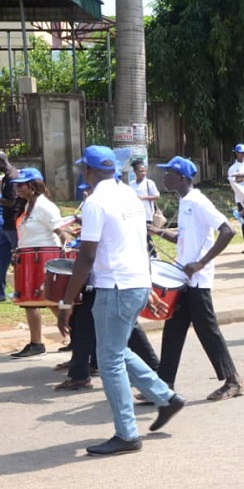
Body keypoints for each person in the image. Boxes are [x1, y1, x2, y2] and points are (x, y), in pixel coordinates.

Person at [57, 145, 185, 456]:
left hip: (115, 287)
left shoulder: (95, 203)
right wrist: (148, 287)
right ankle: (165, 397)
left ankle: (127, 434)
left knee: (110, 358)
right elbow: (140, 242)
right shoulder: (129, 195)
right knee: (115, 351)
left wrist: (66, 302)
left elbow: (86, 256)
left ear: (87, 171)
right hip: (135, 282)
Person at [149, 156, 244, 400]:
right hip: (184, 280)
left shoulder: (197, 201)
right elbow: (183, 237)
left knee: (208, 331)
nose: (164, 177)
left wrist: (201, 262)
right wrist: (158, 232)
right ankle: (163, 385)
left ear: (181, 177)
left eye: (168, 173)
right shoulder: (184, 202)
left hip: (198, 281)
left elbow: (228, 230)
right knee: (173, 330)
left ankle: (233, 381)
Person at [9, 168, 68, 358]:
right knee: (30, 300)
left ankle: (76, 335)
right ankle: (36, 342)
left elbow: (61, 234)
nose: (17, 188)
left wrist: (60, 261)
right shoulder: (28, 206)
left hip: (44, 259)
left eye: (21, 184)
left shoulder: (45, 206)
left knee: (49, 299)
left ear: (34, 185)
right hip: (29, 258)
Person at [0, 152, 24, 301]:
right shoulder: (7, 177)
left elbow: (12, 202)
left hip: (13, 224)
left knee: (18, 259)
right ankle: (1, 293)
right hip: (7, 224)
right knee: (3, 258)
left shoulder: (13, 177)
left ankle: (21, 290)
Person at [128, 159, 160, 258]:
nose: (143, 173)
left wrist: (143, 198)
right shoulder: (132, 184)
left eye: (144, 170)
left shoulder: (149, 183)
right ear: (135, 172)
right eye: (140, 171)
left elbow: (156, 196)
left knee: (147, 234)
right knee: (137, 234)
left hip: (146, 213)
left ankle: (153, 254)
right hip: (134, 213)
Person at [227, 143, 244, 253]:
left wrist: (241, 177)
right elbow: (234, 181)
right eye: (241, 153)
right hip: (240, 197)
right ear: (236, 153)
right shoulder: (232, 168)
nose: (243, 155)